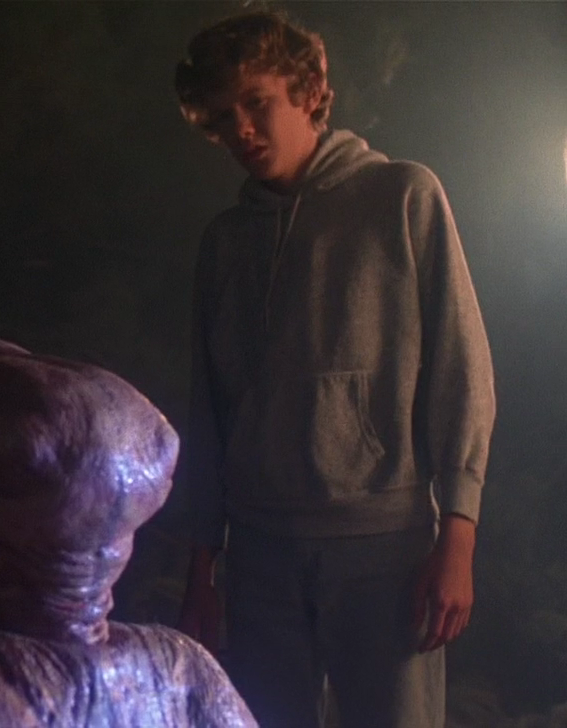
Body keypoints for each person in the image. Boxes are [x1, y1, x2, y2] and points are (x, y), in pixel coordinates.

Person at [171, 10, 495, 728]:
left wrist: (459, 534)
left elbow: (462, 368)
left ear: (310, 90)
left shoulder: (403, 197)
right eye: (222, 118)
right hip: (260, 555)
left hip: (383, 547)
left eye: (257, 102)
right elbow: (209, 412)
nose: (242, 130)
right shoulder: (226, 244)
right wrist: (203, 571)